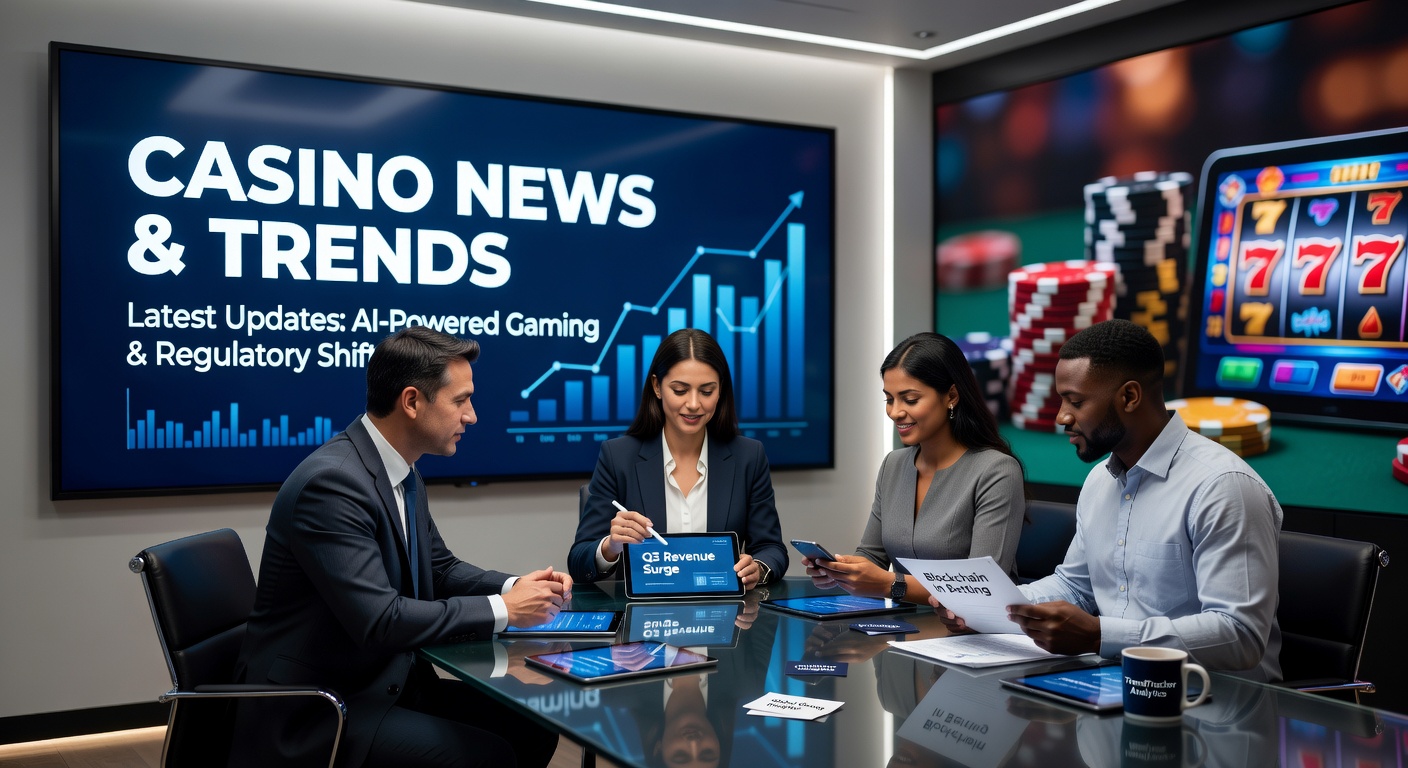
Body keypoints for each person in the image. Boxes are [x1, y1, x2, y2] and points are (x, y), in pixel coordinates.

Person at [230, 326, 572, 768]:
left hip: (383, 683)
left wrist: (516, 585)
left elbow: (440, 568)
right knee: (486, 756)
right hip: (319, 708)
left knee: (532, 722)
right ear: (412, 401)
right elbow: (381, 620)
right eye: (461, 400)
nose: (472, 416)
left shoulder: (401, 471)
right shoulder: (331, 485)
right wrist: (505, 609)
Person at [933, 319, 1283, 681]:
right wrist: (983, 610)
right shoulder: (1100, 480)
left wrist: (1100, 635)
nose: (1061, 417)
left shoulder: (1224, 487)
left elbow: (1240, 635)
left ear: (1129, 397)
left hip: (1221, 712)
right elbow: (1076, 587)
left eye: (1076, 401)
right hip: (1114, 688)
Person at [803, 332, 1025, 603]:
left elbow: (984, 587)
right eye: (889, 399)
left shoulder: (997, 471)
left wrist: (890, 584)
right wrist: (841, 570)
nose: (895, 412)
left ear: (951, 396)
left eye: (909, 399)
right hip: (907, 627)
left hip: (978, 634)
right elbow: (872, 555)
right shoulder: (893, 465)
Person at [568, 328, 787, 589]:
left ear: (721, 392)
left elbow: (772, 549)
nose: (694, 404)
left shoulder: (749, 456)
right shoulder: (618, 457)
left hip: (727, 617)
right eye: (680, 390)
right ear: (657, 387)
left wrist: (758, 569)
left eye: (706, 391)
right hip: (642, 621)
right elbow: (579, 561)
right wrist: (610, 546)